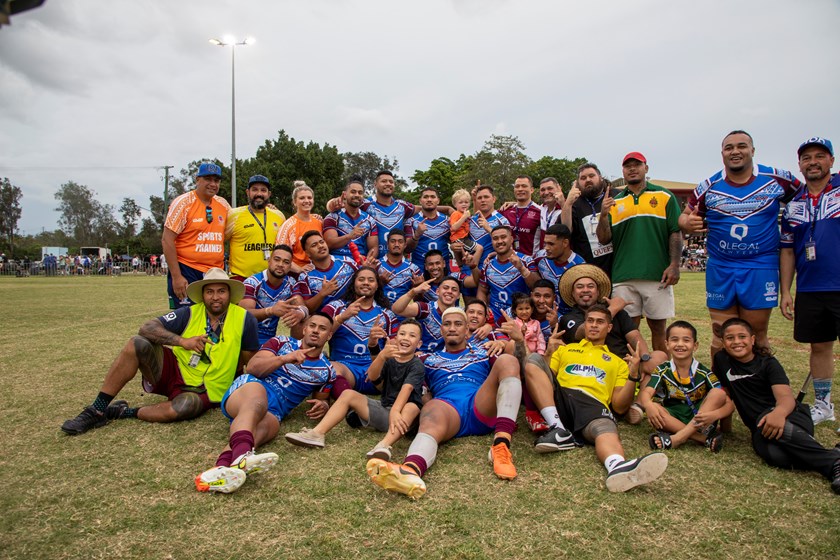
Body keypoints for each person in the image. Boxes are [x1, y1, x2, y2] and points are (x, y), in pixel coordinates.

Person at [61, 268, 260, 435]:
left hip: (208, 389)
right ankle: (97, 409)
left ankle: (121, 412)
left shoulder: (245, 319)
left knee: (184, 408)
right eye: (210, 292)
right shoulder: (189, 312)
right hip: (176, 370)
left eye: (221, 291)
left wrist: (238, 389)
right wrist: (182, 341)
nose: (215, 297)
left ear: (229, 294)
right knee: (136, 343)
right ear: (203, 295)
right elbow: (147, 328)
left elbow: (248, 360)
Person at [366, 307, 523, 498]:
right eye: (447, 324)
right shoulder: (425, 358)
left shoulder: (485, 350)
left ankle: (501, 446)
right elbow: (382, 380)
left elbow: (520, 367)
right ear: (441, 330)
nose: (452, 328)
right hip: (447, 412)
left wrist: (519, 341)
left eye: (458, 324)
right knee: (431, 406)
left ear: (467, 330)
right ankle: (411, 470)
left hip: (480, 405)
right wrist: (376, 349)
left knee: (508, 360)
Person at [679, 130, 801, 358]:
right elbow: (684, 217)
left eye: (742, 146)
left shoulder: (778, 179)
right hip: (721, 266)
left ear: (752, 150)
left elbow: (804, 197)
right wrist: (688, 222)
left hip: (760, 265)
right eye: (729, 147)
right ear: (722, 153)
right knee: (720, 334)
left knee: (756, 334)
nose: (735, 151)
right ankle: (721, 388)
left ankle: (760, 389)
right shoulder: (708, 185)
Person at [523, 304, 669, 492]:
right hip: (560, 397)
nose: (593, 325)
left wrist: (633, 375)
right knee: (533, 360)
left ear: (609, 328)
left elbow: (619, 406)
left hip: (593, 404)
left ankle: (616, 466)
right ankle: (558, 429)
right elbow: (541, 379)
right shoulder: (566, 349)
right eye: (590, 321)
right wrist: (550, 352)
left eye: (600, 322)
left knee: (606, 428)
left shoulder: (618, 362)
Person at [194, 312, 336, 493]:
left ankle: (218, 471)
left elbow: (320, 400)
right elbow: (253, 367)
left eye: (322, 328)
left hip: (276, 410)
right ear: (304, 328)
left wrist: (323, 406)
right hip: (250, 389)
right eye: (313, 326)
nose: (316, 331)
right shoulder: (281, 343)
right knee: (257, 402)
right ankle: (243, 456)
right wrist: (284, 358)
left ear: (329, 336)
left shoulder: (327, 370)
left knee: (263, 430)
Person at [714, 318, 840, 494]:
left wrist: (778, 414)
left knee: (772, 425)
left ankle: (834, 464)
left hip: (789, 415)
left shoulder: (768, 363)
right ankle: (834, 454)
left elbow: (786, 398)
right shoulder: (721, 360)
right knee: (776, 458)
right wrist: (724, 428)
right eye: (730, 338)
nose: (736, 342)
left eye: (742, 336)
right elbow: (724, 393)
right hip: (759, 428)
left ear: (752, 339)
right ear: (723, 342)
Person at [285, 319, 425, 460]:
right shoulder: (390, 358)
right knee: (347, 394)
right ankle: (316, 434)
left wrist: (395, 412)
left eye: (412, 336)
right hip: (386, 411)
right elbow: (372, 376)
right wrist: (381, 356)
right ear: (396, 338)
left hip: (404, 418)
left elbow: (406, 389)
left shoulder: (417, 365)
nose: (406, 338)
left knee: (412, 407)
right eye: (402, 334)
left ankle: (383, 445)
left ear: (419, 344)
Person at [558, 264, 667, 424]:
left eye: (590, 286)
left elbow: (634, 336)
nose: (585, 290)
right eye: (580, 287)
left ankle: (637, 407)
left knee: (659, 357)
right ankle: (633, 399)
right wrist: (613, 309)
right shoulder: (568, 318)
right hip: (595, 370)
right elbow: (583, 332)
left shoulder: (620, 314)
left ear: (598, 291)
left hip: (625, 365)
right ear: (573, 294)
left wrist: (643, 360)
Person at [780, 137, 840, 429]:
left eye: (819, 156)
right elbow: (788, 250)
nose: (813, 162)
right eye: (806, 158)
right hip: (811, 287)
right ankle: (823, 404)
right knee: (819, 346)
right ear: (800, 165)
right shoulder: (794, 204)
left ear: (831, 160)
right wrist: (786, 291)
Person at [596, 152, 682, 353]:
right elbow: (603, 238)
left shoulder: (664, 196)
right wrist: (603, 215)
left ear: (646, 168)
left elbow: (675, 233)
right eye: (628, 166)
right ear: (623, 171)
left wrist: (674, 265)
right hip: (624, 274)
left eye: (637, 165)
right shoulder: (615, 201)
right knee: (628, 328)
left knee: (658, 329)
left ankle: (660, 375)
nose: (632, 169)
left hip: (656, 273)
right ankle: (632, 375)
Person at [638, 321, 733, 451]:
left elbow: (729, 404)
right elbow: (646, 393)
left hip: (700, 418)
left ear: (695, 346)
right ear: (667, 344)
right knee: (654, 407)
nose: (680, 344)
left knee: (719, 393)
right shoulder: (662, 370)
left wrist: (714, 415)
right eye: (674, 340)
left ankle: (678, 438)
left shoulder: (704, 373)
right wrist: (648, 406)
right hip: (672, 418)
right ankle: (702, 439)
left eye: (686, 340)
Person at [162, 163, 232, 309]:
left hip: (214, 272)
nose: (213, 184)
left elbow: (238, 224)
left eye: (216, 180)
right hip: (187, 270)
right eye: (208, 179)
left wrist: (267, 209)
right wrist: (176, 276)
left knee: (214, 319)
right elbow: (167, 240)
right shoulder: (183, 203)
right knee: (187, 320)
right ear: (197, 180)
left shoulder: (223, 204)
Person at [322, 267, 398, 397]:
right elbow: (318, 336)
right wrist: (342, 318)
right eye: (361, 279)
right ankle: (349, 404)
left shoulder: (387, 315)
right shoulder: (336, 307)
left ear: (377, 286)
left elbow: (395, 348)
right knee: (330, 369)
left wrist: (380, 345)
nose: (366, 283)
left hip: (375, 371)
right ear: (353, 284)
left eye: (371, 280)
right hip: (345, 368)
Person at [240, 245, 308, 345]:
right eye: (277, 260)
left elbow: (303, 307)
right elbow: (243, 315)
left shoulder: (291, 283)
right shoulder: (252, 282)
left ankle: (298, 347)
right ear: (269, 261)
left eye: (286, 262)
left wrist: (301, 313)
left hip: (270, 340)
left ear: (290, 267)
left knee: (303, 318)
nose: (280, 264)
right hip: (247, 338)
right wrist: (270, 311)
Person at [471, 225, 537, 324]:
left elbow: (536, 286)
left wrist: (522, 269)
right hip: (495, 322)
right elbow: (482, 290)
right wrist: (484, 308)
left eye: (503, 237)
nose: (499, 241)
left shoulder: (526, 260)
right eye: (495, 238)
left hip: (522, 322)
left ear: (511, 239)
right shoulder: (488, 265)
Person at [225, 174, 286, 281]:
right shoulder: (233, 215)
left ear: (269, 194)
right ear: (248, 192)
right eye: (255, 190)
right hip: (241, 278)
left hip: (270, 278)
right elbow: (220, 241)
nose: (259, 194)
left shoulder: (279, 216)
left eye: (263, 190)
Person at [561, 163, 618, 275]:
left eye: (591, 176)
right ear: (577, 183)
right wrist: (568, 203)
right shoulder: (575, 203)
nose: (587, 180)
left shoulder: (616, 195)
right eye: (583, 178)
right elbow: (566, 230)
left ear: (600, 177)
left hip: (617, 265)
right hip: (589, 270)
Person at [392, 275, 463, 354]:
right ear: (437, 291)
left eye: (454, 289)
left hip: (444, 361)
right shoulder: (425, 308)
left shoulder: (461, 314)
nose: (449, 291)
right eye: (445, 288)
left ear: (458, 296)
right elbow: (396, 309)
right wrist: (413, 292)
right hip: (419, 358)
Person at [294, 230, 360, 314]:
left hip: (354, 314)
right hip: (326, 321)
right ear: (307, 253)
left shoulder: (347, 262)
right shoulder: (305, 277)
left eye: (321, 242)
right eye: (314, 245)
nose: (320, 246)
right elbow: (308, 309)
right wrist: (322, 294)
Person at [323, 178, 378, 263]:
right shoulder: (333, 217)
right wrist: (349, 236)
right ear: (344, 194)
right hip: (337, 262)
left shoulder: (369, 220)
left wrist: (368, 261)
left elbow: (373, 247)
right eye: (353, 192)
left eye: (360, 193)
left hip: (361, 262)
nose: (357, 195)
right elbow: (329, 244)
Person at [534, 223, 585, 315]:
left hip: (571, 317)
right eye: (545, 243)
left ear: (565, 243)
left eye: (551, 244)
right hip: (544, 316)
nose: (546, 248)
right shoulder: (540, 257)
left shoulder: (580, 266)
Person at [274, 181, 323, 274]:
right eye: (302, 198)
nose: (306, 201)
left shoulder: (319, 221)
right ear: (294, 202)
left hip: (319, 271)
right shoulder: (288, 225)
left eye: (309, 198)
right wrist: (299, 269)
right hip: (297, 275)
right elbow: (280, 253)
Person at [406, 187, 451, 271]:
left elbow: (455, 242)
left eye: (433, 197)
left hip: (443, 270)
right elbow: (407, 249)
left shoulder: (448, 221)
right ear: (420, 201)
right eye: (426, 197)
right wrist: (416, 235)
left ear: (438, 200)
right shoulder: (411, 222)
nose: (429, 199)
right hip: (419, 270)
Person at [499, 175, 542, 256]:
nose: (520, 189)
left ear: (532, 189)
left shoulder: (540, 211)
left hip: (530, 262)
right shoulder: (506, 210)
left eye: (524, 186)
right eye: (517, 186)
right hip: (509, 262)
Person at [378, 229, 422, 306]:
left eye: (400, 242)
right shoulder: (376, 265)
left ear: (405, 245)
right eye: (393, 241)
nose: (396, 244)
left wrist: (417, 288)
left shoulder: (413, 269)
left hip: (403, 315)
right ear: (387, 244)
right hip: (380, 313)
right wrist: (380, 283)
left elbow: (418, 300)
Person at [468, 184, 511, 259]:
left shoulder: (502, 220)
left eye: (486, 197)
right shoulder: (470, 220)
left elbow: (509, 247)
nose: (483, 200)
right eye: (479, 198)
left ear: (494, 199)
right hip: (468, 268)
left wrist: (489, 229)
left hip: (491, 267)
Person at [449, 189, 480, 266]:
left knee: (464, 256)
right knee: (480, 248)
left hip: (464, 238)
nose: (464, 204)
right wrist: (464, 217)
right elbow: (453, 227)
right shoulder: (456, 214)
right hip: (459, 239)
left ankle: (462, 267)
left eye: (466, 202)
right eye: (461, 202)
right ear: (455, 205)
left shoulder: (465, 214)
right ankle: (473, 265)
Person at [537, 177, 565, 250]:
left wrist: (563, 204)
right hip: (545, 255)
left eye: (550, 188)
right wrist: (514, 204)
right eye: (542, 190)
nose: (546, 192)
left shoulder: (567, 207)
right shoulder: (541, 208)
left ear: (559, 188)